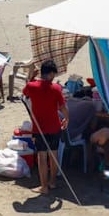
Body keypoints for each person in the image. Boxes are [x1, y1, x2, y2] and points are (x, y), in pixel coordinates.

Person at [22, 60, 69, 195]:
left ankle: (44, 186)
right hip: (54, 126)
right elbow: (63, 107)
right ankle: (52, 182)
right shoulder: (56, 88)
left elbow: (25, 92)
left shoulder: (32, 86)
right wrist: (67, 119)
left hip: (39, 127)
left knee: (42, 157)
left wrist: (31, 77)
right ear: (52, 73)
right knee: (53, 155)